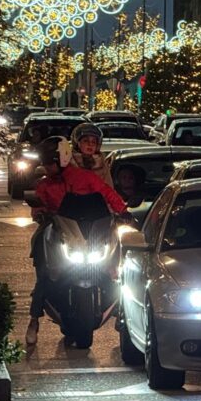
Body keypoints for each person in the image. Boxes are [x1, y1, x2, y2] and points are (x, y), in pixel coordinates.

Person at [27, 136, 127, 346]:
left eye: (50, 162)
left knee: (117, 265)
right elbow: (38, 205)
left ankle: (123, 314)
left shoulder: (83, 177)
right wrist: (39, 213)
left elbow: (107, 193)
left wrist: (123, 212)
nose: (47, 167)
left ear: (62, 159)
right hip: (57, 230)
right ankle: (34, 319)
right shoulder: (45, 185)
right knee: (43, 269)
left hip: (89, 232)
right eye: (44, 163)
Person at [70, 123, 113, 187]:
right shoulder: (68, 162)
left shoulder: (103, 164)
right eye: (86, 141)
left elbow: (109, 188)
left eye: (93, 142)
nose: (90, 144)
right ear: (78, 143)